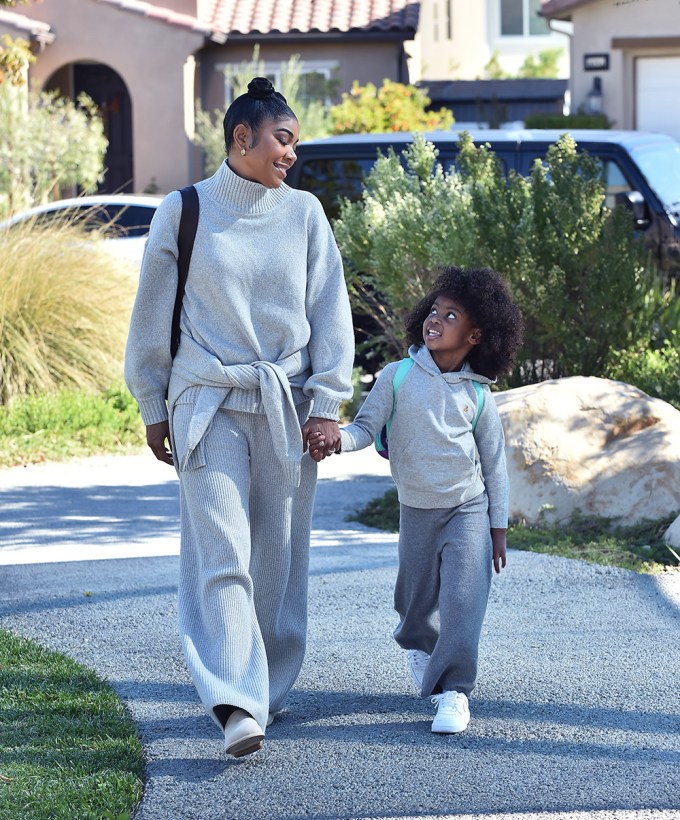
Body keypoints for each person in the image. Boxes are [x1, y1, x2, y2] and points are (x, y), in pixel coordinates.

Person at [124, 77, 354, 757]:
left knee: (277, 561)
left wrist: (327, 403)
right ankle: (236, 702)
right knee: (224, 553)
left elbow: (328, 312)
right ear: (241, 138)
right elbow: (151, 314)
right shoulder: (184, 210)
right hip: (206, 402)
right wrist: (151, 401)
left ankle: (268, 691)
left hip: (284, 405)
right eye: (283, 140)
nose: (291, 154)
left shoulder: (306, 213)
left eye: (295, 144)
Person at [310, 266, 523, 734]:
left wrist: (497, 528)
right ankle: (420, 649)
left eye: (451, 316)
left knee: (464, 599)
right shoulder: (397, 376)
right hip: (417, 510)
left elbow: (494, 466)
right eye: (433, 311)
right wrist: (335, 441)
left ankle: (454, 692)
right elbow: (364, 429)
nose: (435, 320)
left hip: (467, 509)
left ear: (475, 335)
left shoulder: (479, 397)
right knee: (414, 603)